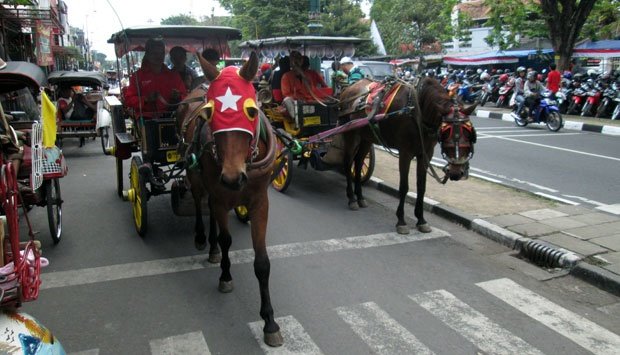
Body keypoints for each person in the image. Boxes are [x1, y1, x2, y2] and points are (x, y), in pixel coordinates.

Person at [123, 37, 187, 118]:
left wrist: (178, 96)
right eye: (155, 53)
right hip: (146, 119)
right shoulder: (138, 76)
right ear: (148, 54)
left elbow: (185, 97)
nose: (158, 57)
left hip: (170, 117)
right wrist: (145, 99)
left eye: (161, 53)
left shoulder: (173, 76)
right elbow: (128, 100)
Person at [280, 51, 331, 126]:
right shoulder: (286, 76)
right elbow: (286, 94)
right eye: (294, 59)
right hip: (295, 103)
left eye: (299, 59)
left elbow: (312, 91)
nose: (296, 61)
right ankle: (296, 122)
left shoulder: (308, 75)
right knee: (287, 100)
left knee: (328, 103)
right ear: (290, 62)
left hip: (310, 100)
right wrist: (299, 98)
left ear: (302, 61)